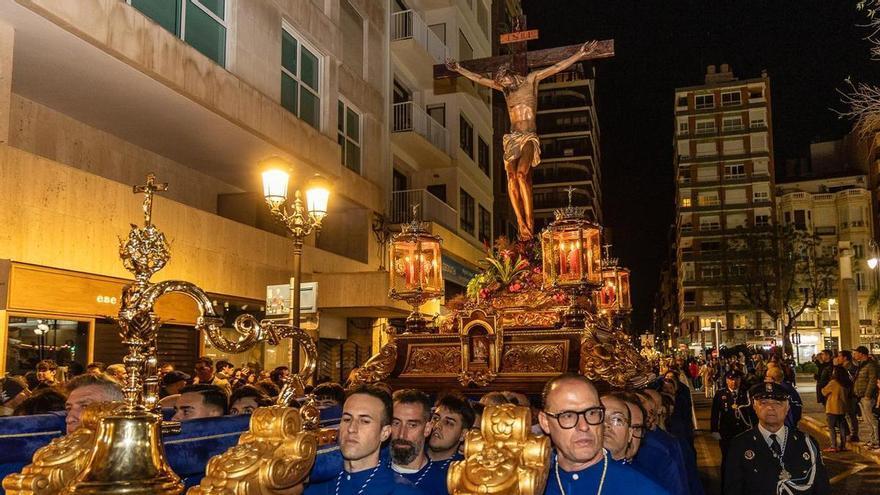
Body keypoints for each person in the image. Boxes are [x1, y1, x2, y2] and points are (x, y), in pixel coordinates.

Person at [445, 41, 599, 239]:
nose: (503, 85)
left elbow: (556, 67)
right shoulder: (505, 90)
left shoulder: (531, 80)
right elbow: (480, 79)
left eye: (505, 81)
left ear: (510, 74)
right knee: (510, 179)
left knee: (520, 174)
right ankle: (520, 222)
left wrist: (580, 53)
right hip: (511, 139)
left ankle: (529, 221)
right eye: (501, 83)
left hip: (528, 137)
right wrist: (459, 68)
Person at [538, 373, 668, 495]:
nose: (584, 426)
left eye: (592, 413)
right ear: (545, 422)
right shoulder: (531, 485)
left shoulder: (644, 489)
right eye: (568, 415)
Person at [304, 385, 424, 495]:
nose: (351, 428)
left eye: (365, 421)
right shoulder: (313, 488)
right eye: (347, 419)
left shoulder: (403, 491)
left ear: (385, 433)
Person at [724, 382, 831, 495]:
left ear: (787, 408)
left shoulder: (807, 443)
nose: (770, 407)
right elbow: (732, 490)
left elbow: (822, 488)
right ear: (755, 407)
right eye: (763, 403)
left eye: (778, 403)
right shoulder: (739, 445)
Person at [389, 389, 446, 495]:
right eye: (396, 423)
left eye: (412, 425)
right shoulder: (371, 470)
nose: (402, 434)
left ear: (427, 429)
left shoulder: (443, 484)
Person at [710, 370, 752, 479]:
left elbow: (752, 413)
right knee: (727, 459)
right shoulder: (720, 394)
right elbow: (715, 413)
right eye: (731, 379)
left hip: (743, 431)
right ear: (727, 380)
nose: (734, 382)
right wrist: (714, 430)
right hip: (726, 432)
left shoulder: (746, 393)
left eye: (736, 379)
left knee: (744, 459)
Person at [428, 392, 474, 463]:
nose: (437, 425)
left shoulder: (464, 470)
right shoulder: (410, 453)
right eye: (436, 418)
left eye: (448, 423)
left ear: (463, 434)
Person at [821, 365, 852, 453]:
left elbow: (824, 392)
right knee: (842, 426)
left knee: (831, 427)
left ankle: (833, 445)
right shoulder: (847, 383)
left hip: (832, 407)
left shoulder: (834, 382)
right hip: (842, 407)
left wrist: (823, 388)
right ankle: (843, 445)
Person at [853, 346, 878, 449]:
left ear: (862, 354)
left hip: (867, 397)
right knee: (867, 420)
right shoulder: (862, 365)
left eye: (856, 353)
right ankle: (872, 439)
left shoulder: (870, 365)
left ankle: (876, 440)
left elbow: (872, 380)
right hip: (861, 396)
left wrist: (868, 395)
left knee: (872, 419)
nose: (854, 355)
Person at [836, 350, 860, 442]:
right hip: (846, 394)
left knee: (851, 414)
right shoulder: (842, 367)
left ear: (845, 358)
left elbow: (851, 381)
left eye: (839, 356)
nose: (838, 358)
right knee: (848, 415)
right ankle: (851, 433)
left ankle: (854, 434)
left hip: (850, 394)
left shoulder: (850, 368)